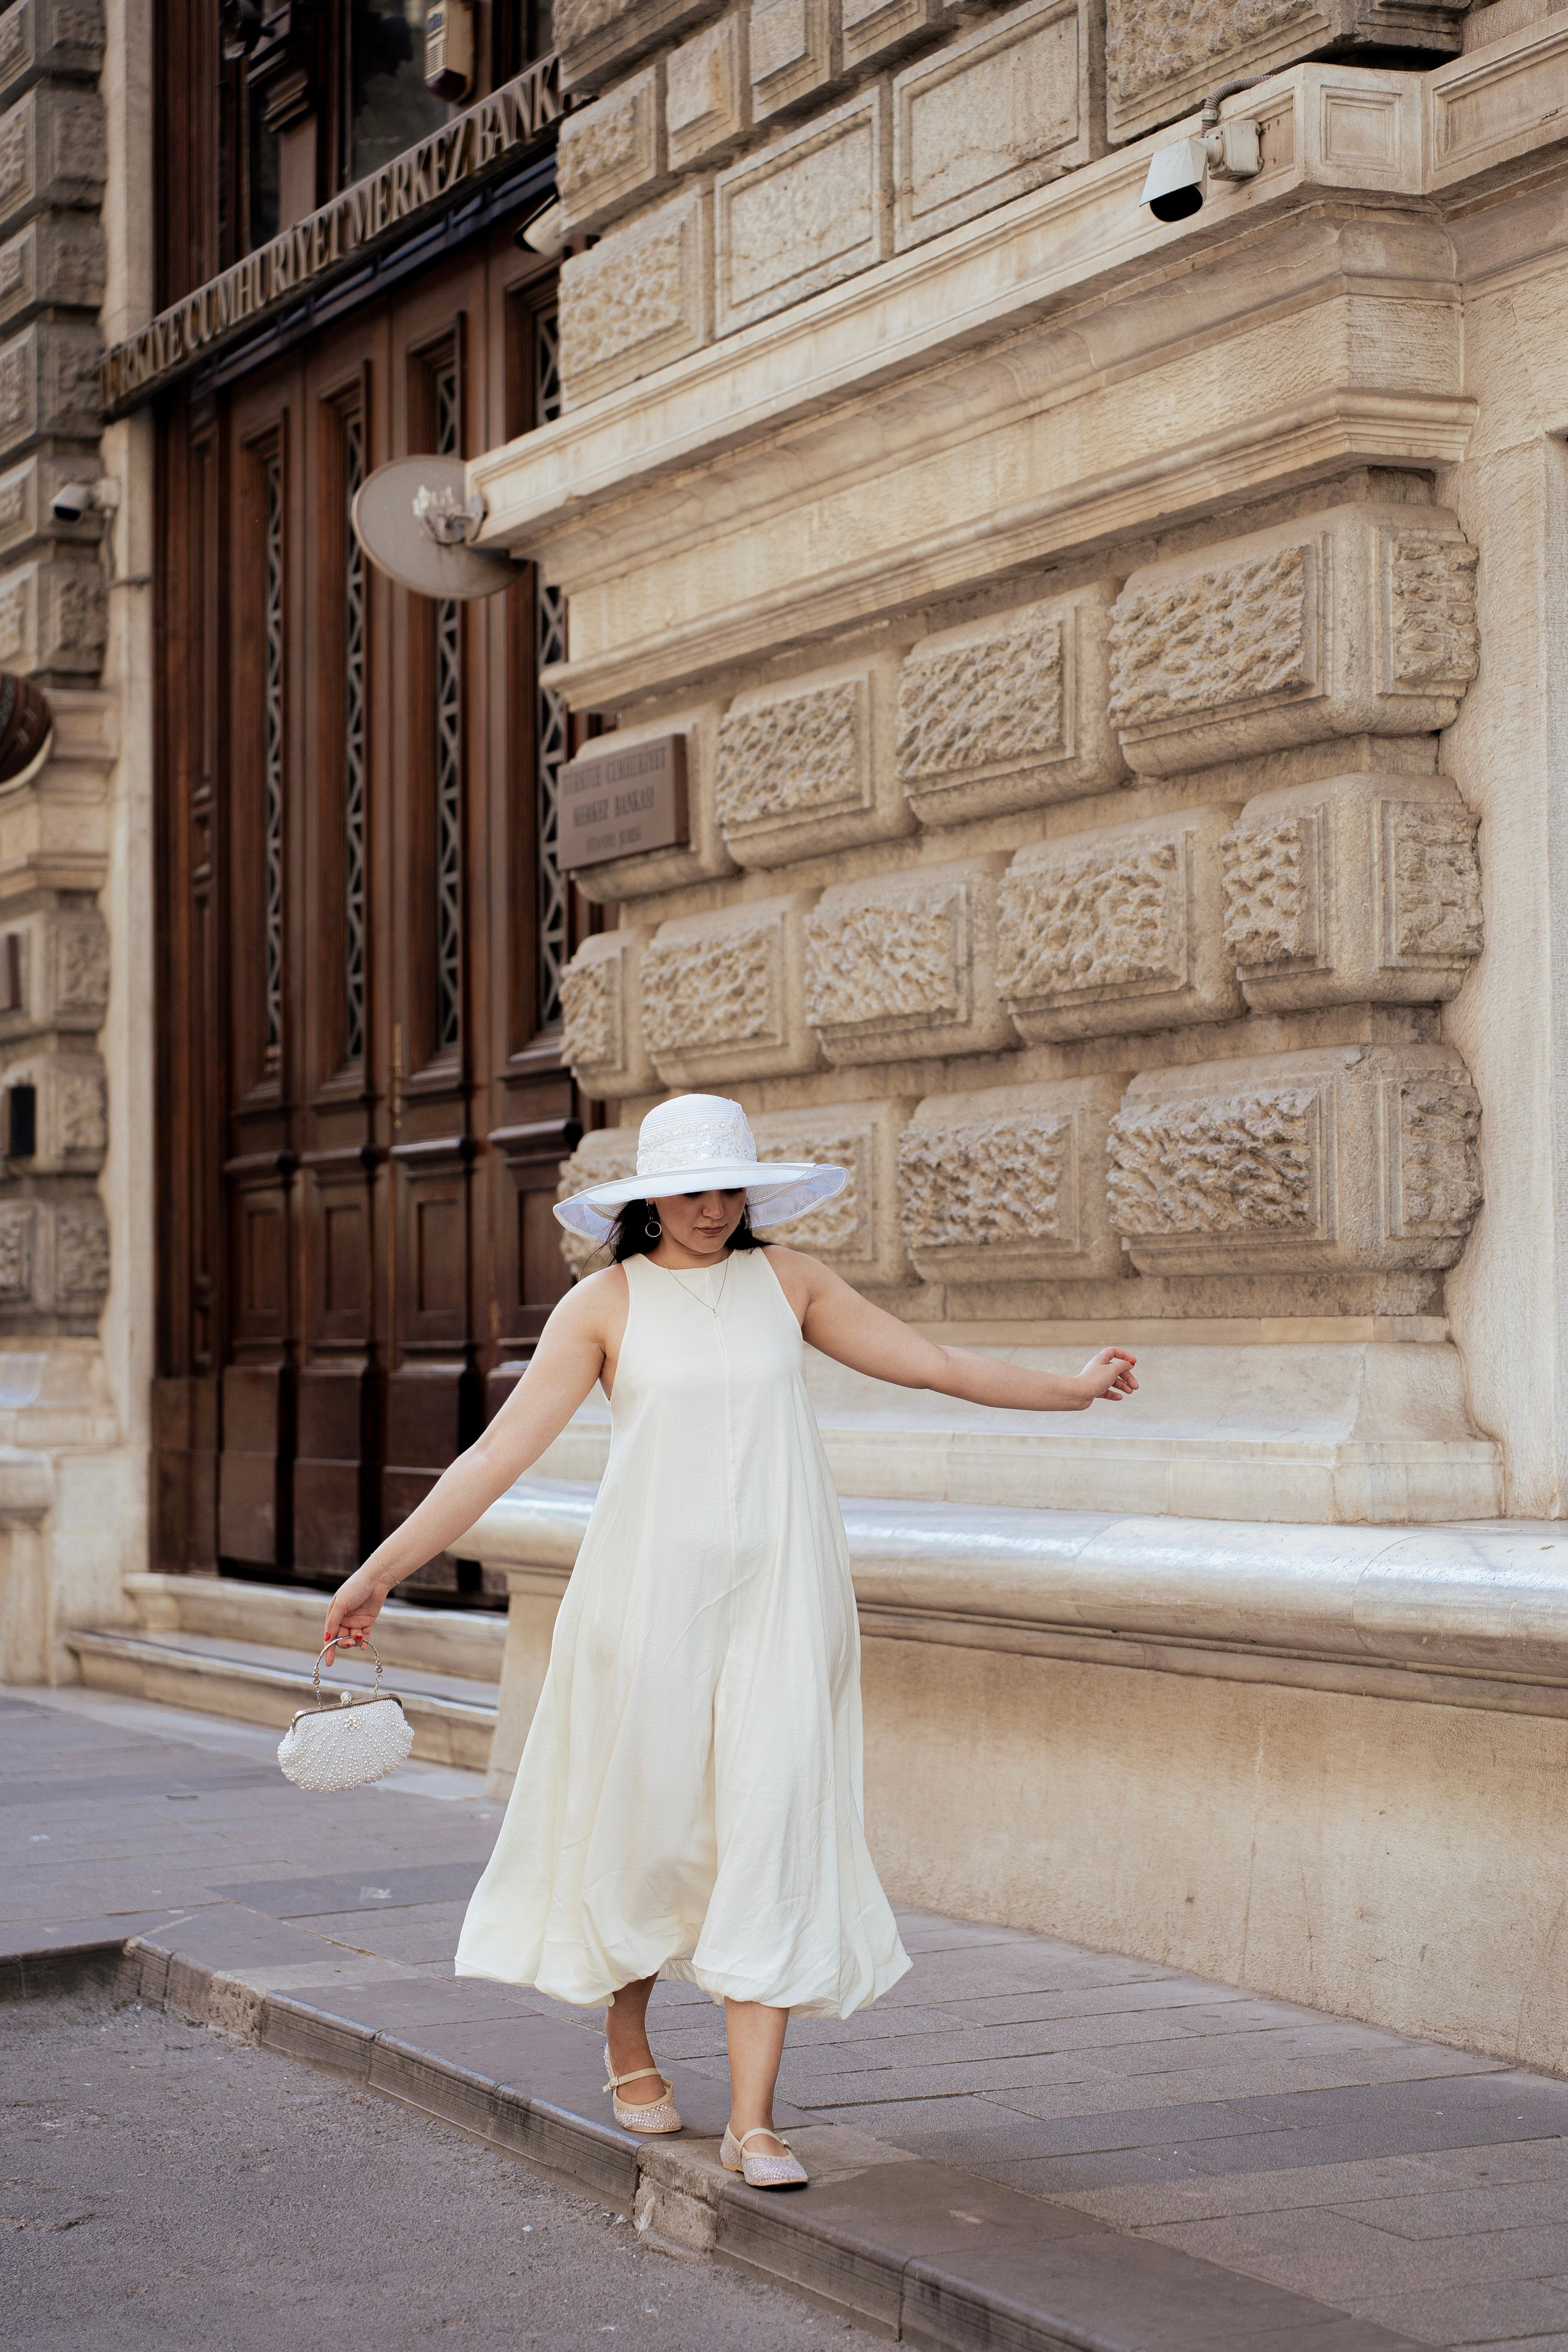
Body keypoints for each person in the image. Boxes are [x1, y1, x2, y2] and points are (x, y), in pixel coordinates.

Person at [323, 1093, 1138, 2189]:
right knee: (651, 1831)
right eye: (693, 1191)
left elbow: (930, 1363)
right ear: (648, 1199)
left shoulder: (790, 1283)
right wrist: (378, 1572)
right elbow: (494, 1456)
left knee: (774, 1826)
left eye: (729, 1188)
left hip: (782, 1605)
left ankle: (756, 2120)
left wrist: (1070, 1393)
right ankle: (627, 2039)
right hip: (646, 1607)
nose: (714, 1209)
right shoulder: (601, 1306)